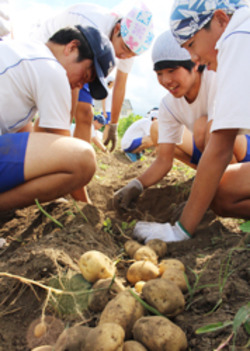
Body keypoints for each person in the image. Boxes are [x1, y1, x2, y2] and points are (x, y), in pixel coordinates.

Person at [113, 27, 250, 243]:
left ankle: (211, 187)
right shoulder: (168, 106)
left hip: (240, 151)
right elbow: (163, 160)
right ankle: (211, 192)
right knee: (220, 201)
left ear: (194, 65)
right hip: (215, 155)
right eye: (159, 73)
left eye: (172, 70)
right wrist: (136, 185)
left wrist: (183, 225)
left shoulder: (215, 80)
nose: (166, 80)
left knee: (203, 127)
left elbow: (220, 148)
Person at [0, 25, 115, 211]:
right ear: (71, 47)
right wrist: (87, 209)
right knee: (83, 158)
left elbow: (35, 138)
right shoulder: (52, 70)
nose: (80, 84)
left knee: (26, 130)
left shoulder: (24, 53)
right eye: (85, 75)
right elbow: (66, 151)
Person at [32, 2, 154, 151]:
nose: (125, 56)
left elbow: (120, 85)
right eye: (125, 49)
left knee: (85, 114)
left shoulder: (129, 46)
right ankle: (48, 155)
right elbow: (75, 79)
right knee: (61, 110)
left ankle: (75, 163)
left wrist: (113, 124)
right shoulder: (93, 26)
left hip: (82, 62)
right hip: (49, 50)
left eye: (132, 55)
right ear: (117, 29)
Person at [102, 75, 114, 142]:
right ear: (110, 82)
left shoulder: (110, 91)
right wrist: (104, 112)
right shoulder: (106, 90)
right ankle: (104, 141)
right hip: (106, 111)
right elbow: (103, 101)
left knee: (108, 128)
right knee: (107, 127)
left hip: (109, 111)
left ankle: (105, 141)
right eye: (113, 82)